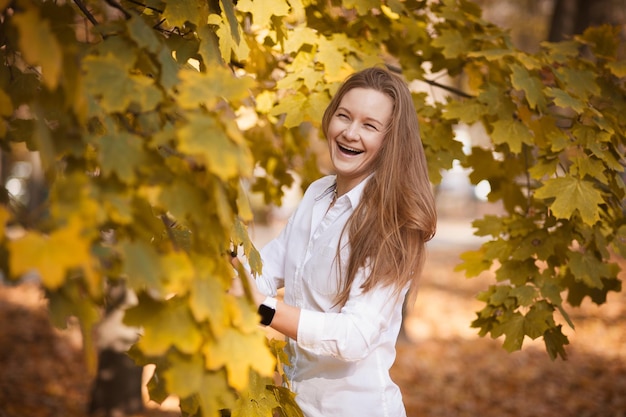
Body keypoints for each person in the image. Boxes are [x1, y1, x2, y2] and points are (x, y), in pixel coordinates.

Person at [234, 66, 437, 417]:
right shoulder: (316, 194)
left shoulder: (394, 224)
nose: (350, 133)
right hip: (297, 406)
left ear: (390, 140)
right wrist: (226, 264)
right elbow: (264, 272)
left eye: (369, 125)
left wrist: (264, 309)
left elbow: (354, 336)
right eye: (344, 116)